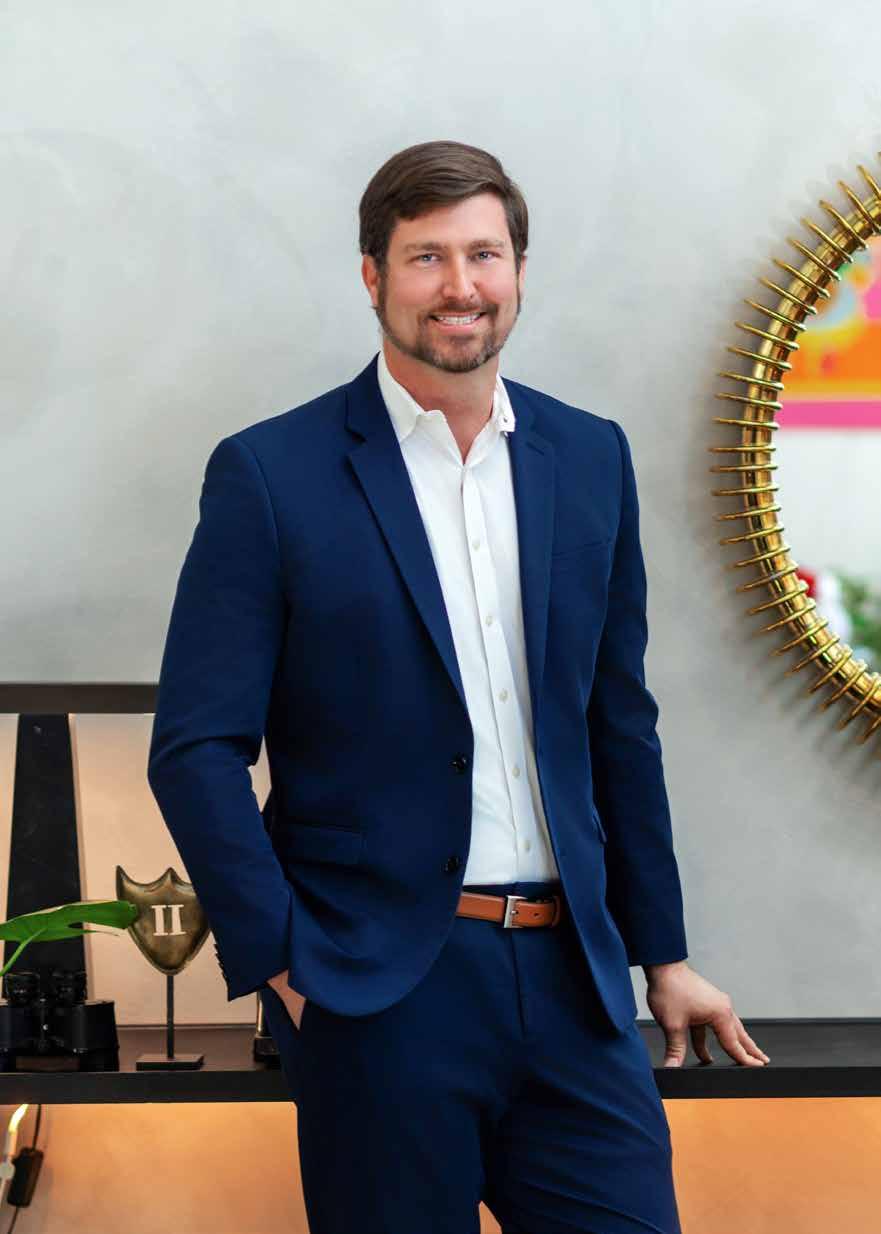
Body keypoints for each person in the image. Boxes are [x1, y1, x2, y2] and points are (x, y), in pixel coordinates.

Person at [147, 139, 768, 1234]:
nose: (459, 285)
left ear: (518, 270)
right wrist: (286, 964)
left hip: (574, 983)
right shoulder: (272, 474)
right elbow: (195, 747)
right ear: (372, 275)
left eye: (482, 255)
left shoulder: (589, 457)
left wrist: (661, 953)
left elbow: (618, 723)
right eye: (425, 257)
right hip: (378, 988)